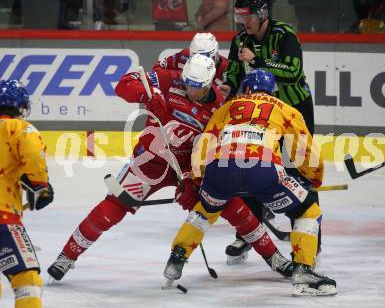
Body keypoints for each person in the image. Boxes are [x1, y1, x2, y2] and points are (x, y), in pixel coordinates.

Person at [47, 54, 293, 281]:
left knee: (232, 206)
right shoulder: (170, 80)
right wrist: (146, 96)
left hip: (188, 167)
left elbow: (210, 153)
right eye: (188, 82)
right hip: (149, 163)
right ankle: (66, 257)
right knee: (112, 207)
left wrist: (192, 181)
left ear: (209, 84)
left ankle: (274, 257)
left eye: (197, 86)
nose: (189, 89)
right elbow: (124, 85)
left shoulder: (220, 109)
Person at [162, 69, 337, 297]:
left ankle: (176, 259)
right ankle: (303, 272)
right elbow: (305, 149)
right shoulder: (284, 109)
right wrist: (312, 179)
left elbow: (204, 143)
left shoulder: (228, 107)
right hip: (262, 171)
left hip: (220, 172)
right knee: (308, 211)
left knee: (205, 211)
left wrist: (197, 179)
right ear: (273, 91)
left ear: (244, 88)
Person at [219, 0, 320, 262]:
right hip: (260, 114)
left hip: (293, 113)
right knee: (251, 167)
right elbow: (233, 72)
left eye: (248, 15)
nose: (243, 21)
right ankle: (246, 235)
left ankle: (311, 239)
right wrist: (226, 85)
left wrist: (257, 60)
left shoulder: (285, 34)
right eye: (239, 16)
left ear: (263, 13)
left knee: (298, 172)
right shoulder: (239, 39)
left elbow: (293, 70)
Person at [0, 79, 54, 308]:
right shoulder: (19, 128)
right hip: (3, 216)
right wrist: (40, 185)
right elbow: (33, 156)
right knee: (27, 279)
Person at [153, 32, 228, 89]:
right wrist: (176, 79)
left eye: (206, 58)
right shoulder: (183, 56)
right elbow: (157, 69)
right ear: (190, 53)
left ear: (216, 54)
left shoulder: (227, 68)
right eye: (196, 57)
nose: (202, 63)